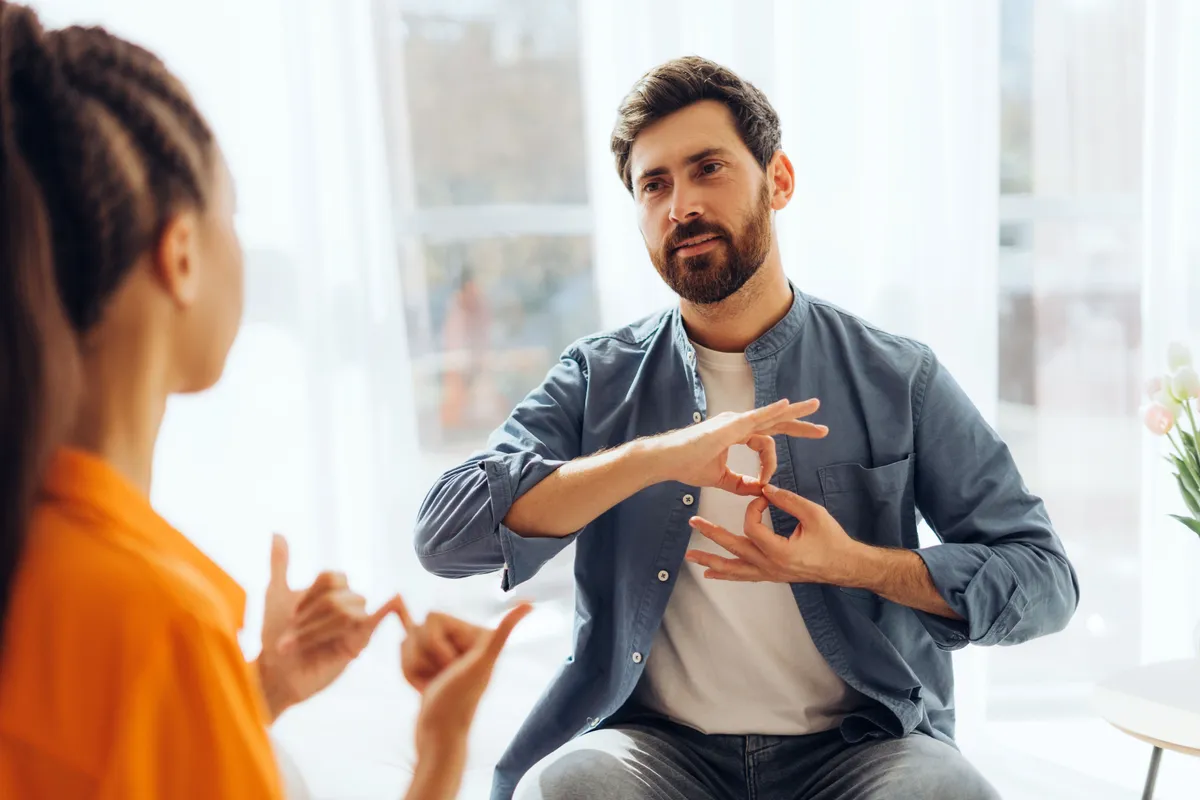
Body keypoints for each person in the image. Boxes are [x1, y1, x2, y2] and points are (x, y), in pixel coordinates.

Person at [415, 55, 1080, 800]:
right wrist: (656, 457)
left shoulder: (898, 376)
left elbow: (1046, 580)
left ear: (779, 180)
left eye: (709, 169)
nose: (681, 205)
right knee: (569, 785)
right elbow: (444, 536)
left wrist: (851, 564)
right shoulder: (596, 379)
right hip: (653, 748)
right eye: (654, 185)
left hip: (860, 751)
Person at [0, 4, 524, 798]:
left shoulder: (44, 560)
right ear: (179, 255)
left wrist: (260, 688)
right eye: (231, 215)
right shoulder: (157, 626)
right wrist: (443, 753)